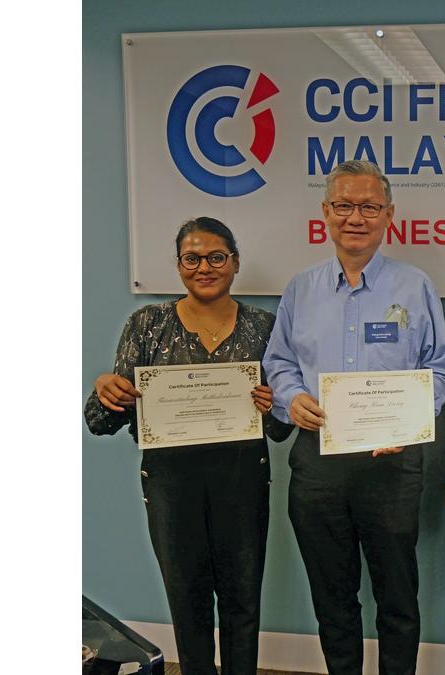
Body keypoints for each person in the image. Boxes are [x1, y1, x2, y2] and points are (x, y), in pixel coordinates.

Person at [262, 159, 445, 675]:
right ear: (325, 212)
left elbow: (441, 370)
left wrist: (408, 422)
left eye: (369, 207)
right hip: (318, 463)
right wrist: (291, 397)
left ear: (388, 215)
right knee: (332, 598)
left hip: (391, 464)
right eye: (344, 205)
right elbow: (279, 362)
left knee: (398, 598)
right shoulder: (301, 288)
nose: (356, 217)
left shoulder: (415, 287)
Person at [85, 217, 292, 675]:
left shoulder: (265, 327)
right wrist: (106, 389)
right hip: (171, 484)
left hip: (242, 480)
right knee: (187, 599)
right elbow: (101, 421)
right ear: (178, 265)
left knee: (243, 600)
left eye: (216, 257)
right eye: (192, 258)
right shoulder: (147, 324)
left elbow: (280, 428)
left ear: (235, 262)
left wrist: (273, 405)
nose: (204, 267)